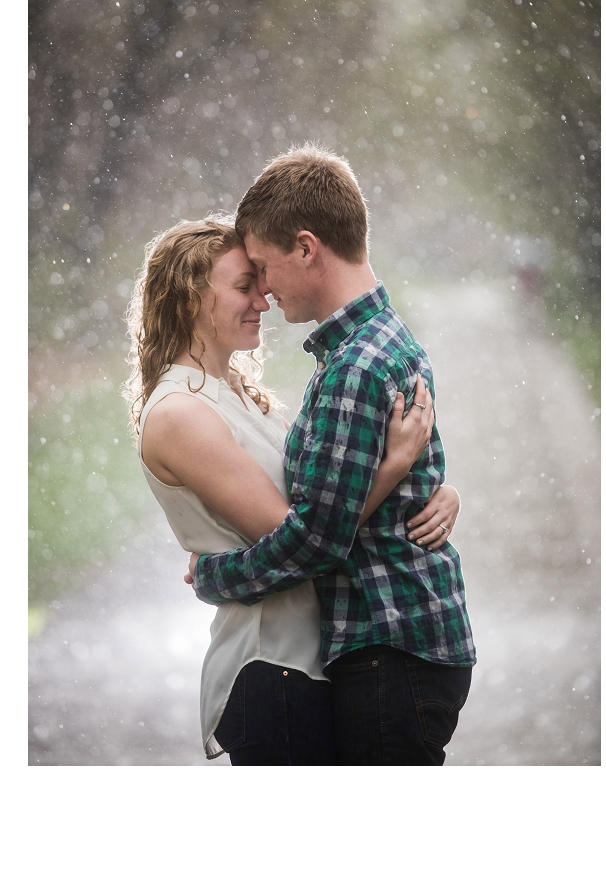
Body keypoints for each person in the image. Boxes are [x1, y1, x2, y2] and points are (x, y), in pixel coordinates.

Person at [127, 215, 457, 764]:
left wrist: (433, 491)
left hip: (309, 662)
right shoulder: (180, 411)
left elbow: (327, 487)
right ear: (188, 301)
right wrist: (393, 468)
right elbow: (301, 535)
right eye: (243, 286)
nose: (263, 298)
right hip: (269, 667)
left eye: (260, 279)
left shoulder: (229, 391)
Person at [190, 147, 478, 765]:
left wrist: (215, 575)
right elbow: (364, 498)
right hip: (403, 648)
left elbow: (319, 538)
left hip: (391, 651)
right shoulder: (380, 343)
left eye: (264, 267)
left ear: (306, 248)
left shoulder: (356, 365)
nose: (263, 290)